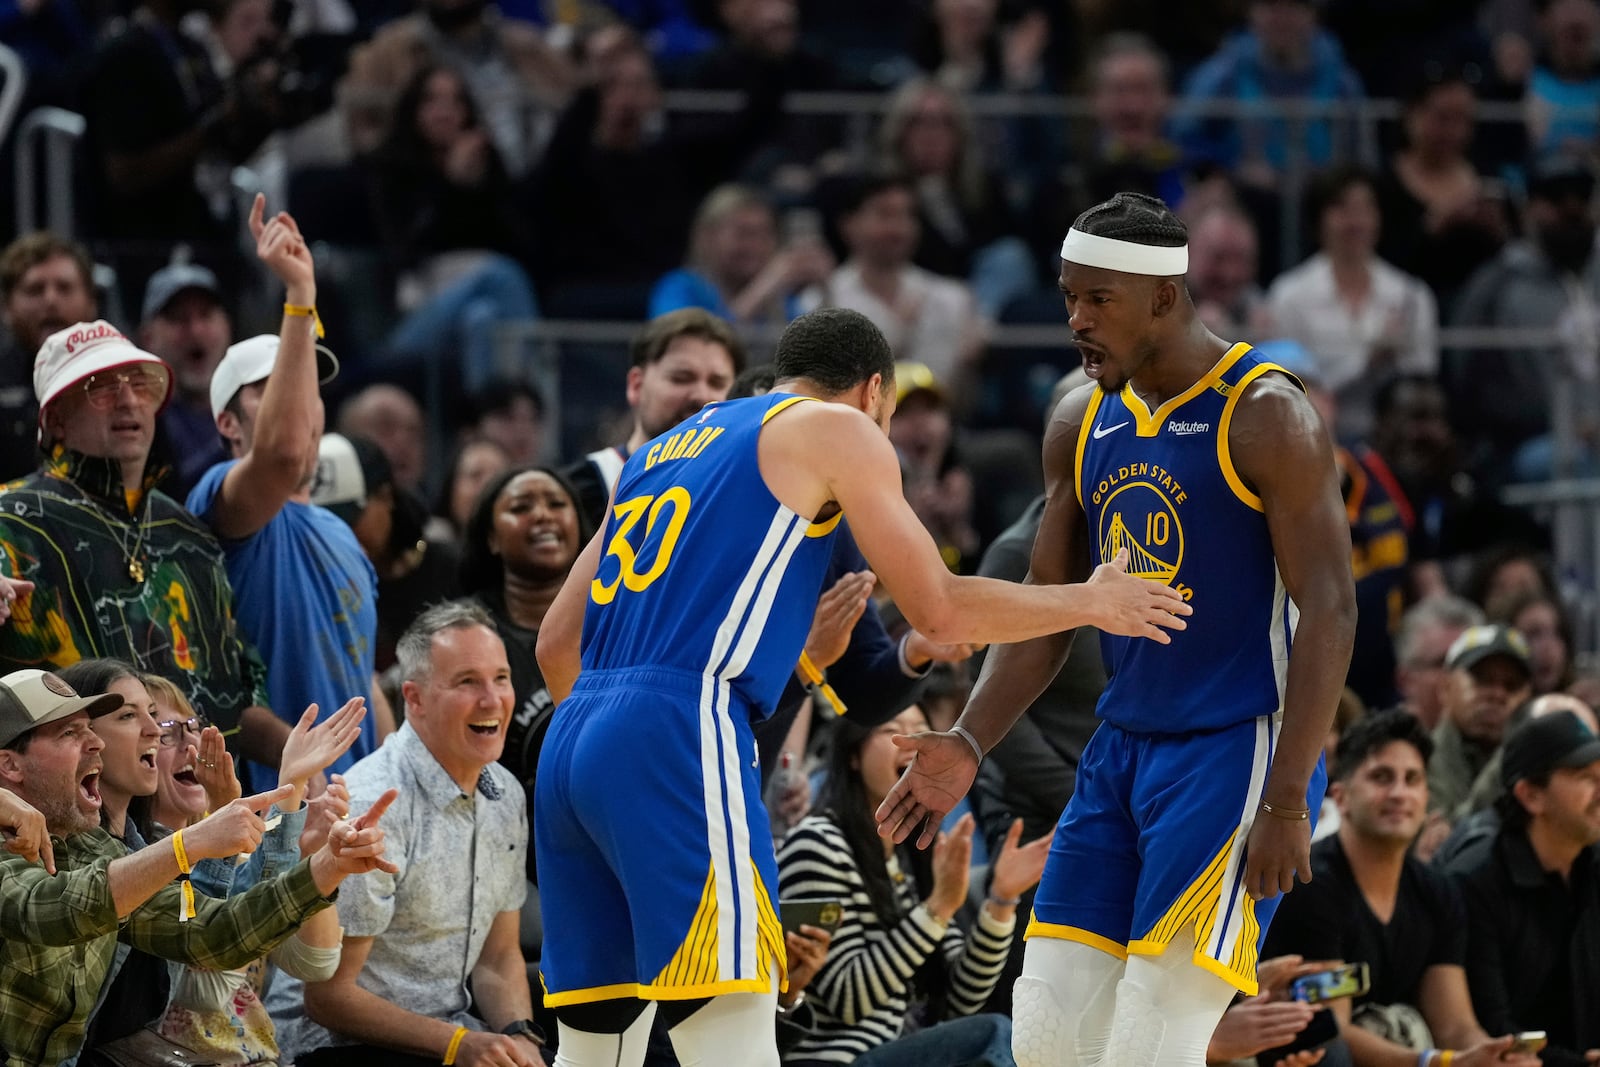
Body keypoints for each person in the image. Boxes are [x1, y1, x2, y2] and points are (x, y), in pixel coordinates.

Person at [533, 306, 1189, 1067]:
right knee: (733, 1028)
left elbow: (556, 643)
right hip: (680, 721)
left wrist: (619, 728)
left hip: (574, 734)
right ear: (875, 391)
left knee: (597, 1046)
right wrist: (1093, 599)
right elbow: (939, 602)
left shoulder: (664, 446)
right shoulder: (836, 429)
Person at [876, 191, 1358, 1067]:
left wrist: (1290, 795)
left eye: (1098, 299)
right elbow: (1047, 606)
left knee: (1151, 1040)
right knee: (1050, 1035)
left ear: (1165, 299)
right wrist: (969, 740)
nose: (1076, 320)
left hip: (1235, 750)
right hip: (1121, 750)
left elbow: (1332, 606)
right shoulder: (1081, 418)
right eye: (1069, 297)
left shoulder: (1267, 414)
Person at [0, 666, 397, 1066]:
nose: (95, 744)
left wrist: (329, 865)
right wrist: (192, 843)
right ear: (10, 766)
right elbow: (49, 907)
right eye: (69, 733)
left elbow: (214, 934)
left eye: (90, 728)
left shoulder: (95, 847)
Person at [270, 601, 542, 1067]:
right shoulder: (373, 805)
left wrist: (521, 1038)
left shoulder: (506, 795)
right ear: (414, 699)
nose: (493, 699)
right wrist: (459, 1045)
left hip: (446, 1033)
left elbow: (498, 959)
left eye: (501, 678)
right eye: (467, 681)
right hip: (332, 1045)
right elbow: (329, 999)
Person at [0, 320, 282, 768]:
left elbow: (239, 700)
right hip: (70, 817)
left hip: (201, 813)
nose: (129, 399)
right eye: (100, 387)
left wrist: (300, 754)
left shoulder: (188, 534)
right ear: (54, 418)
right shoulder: (8, 521)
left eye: (139, 384)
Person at [186, 195, 384, 789]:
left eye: (305, 390)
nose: (301, 404)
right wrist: (301, 299)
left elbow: (364, 676)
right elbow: (281, 453)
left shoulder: (337, 531)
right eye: (270, 392)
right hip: (271, 816)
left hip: (356, 810)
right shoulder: (221, 497)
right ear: (227, 423)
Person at [1262, 710, 1539, 1067]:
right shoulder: (1314, 882)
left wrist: (1492, 1054)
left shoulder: (1437, 891)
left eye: (1412, 779)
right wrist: (1439, 1062)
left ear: (1427, 796)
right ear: (1341, 797)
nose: (1399, 793)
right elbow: (1335, 1027)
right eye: (1381, 777)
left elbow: (1455, 1026)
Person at [776, 704, 1046, 1066]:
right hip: (840, 1058)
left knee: (1012, 1032)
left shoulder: (912, 853)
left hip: (904, 1049)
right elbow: (847, 998)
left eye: (922, 729)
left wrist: (1001, 901)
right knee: (996, 1035)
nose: (914, 744)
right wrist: (935, 910)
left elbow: (961, 1000)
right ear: (853, 755)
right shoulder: (818, 842)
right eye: (894, 730)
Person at [458, 464, 592, 872]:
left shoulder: (619, 619)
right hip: (499, 859)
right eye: (522, 507)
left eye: (556, 504)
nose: (543, 515)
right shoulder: (460, 633)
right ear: (492, 538)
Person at [1449, 711, 1600, 1065]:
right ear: (1531, 795)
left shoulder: (1593, 865)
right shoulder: (1475, 882)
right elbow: (1493, 1025)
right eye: (1585, 778)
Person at [561, 308, 745, 528]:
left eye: (717, 383)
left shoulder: (746, 494)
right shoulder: (575, 493)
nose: (702, 396)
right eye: (681, 378)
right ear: (636, 385)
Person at [0, 233, 99, 482]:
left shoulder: (126, 378)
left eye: (64, 287)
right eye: (35, 290)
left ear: (91, 302)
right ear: (6, 308)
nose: (50, 300)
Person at [139, 261, 235, 500]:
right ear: (148, 338)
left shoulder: (255, 405)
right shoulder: (136, 424)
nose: (195, 330)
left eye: (206, 315)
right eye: (178, 319)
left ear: (227, 327)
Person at [1427, 623, 1534, 820]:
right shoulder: (1418, 759)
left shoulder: (1540, 766)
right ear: (1445, 687)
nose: (1498, 694)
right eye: (1483, 679)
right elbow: (1446, 842)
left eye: (1512, 685)